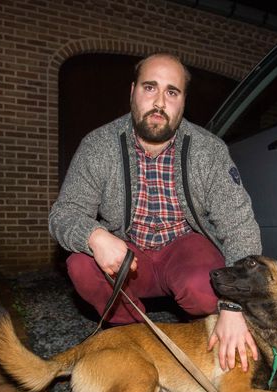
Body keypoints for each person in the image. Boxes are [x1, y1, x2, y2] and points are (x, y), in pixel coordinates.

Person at [49, 52, 262, 372]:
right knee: (81, 266)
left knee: (204, 286)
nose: (160, 101)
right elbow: (64, 213)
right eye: (150, 88)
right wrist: (95, 235)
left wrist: (234, 306)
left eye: (172, 92)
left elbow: (239, 225)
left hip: (184, 249)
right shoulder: (98, 145)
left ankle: (203, 336)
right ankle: (131, 336)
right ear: (133, 91)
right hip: (129, 255)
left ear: (183, 101)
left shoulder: (209, 151)